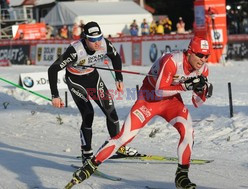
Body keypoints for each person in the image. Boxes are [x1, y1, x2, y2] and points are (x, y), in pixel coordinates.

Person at [68, 36, 213, 189]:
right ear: (189, 52)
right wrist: (185, 87)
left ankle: (182, 176)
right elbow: (159, 90)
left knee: (188, 131)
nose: (202, 59)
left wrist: (203, 91)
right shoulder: (172, 60)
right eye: (199, 55)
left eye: (206, 56)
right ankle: (90, 166)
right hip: (149, 99)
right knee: (124, 137)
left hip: (171, 101)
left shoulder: (203, 69)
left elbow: (197, 102)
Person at [48, 21, 137, 164]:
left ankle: (118, 147)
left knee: (111, 112)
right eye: (93, 40)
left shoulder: (104, 43)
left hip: (93, 78)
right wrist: (55, 95)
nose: (97, 43)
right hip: (76, 81)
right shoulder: (75, 51)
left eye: (99, 38)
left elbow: (116, 57)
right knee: (88, 114)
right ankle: (87, 153)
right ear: (85, 38)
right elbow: (53, 69)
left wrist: (119, 78)